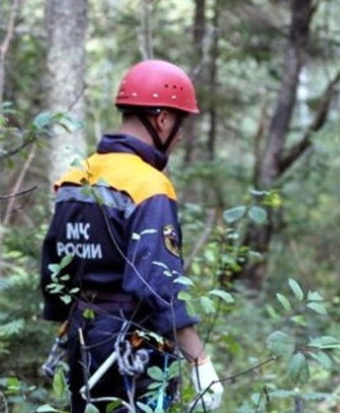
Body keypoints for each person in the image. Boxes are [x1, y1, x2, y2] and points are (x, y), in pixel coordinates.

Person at [40, 59, 224, 412]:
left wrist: (70, 318)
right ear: (162, 119)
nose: (181, 134)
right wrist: (200, 361)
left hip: (82, 337)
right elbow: (158, 284)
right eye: (181, 122)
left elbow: (54, 265)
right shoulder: (148, 185)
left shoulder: (77, 176)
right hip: (131, 346)